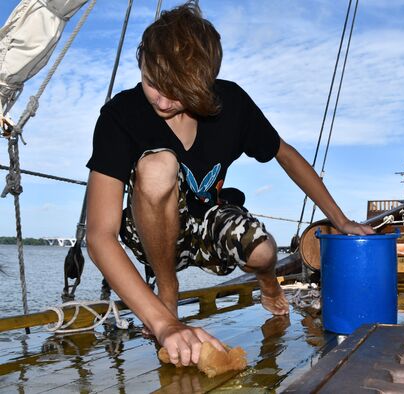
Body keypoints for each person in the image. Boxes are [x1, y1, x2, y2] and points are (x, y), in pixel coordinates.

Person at [85, 1, 374, 368]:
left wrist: (341, 218)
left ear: (203, 82)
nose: (159, 98)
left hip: (210, 220)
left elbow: (285, 154)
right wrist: (165, 322)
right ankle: (168, 289)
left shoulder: (231, 103)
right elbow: (99, 235)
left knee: (263, 251)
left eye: (175, 90)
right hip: (151, 228)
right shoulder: (120, 115)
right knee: (159, 166)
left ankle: (268, 281)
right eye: (150, 82)